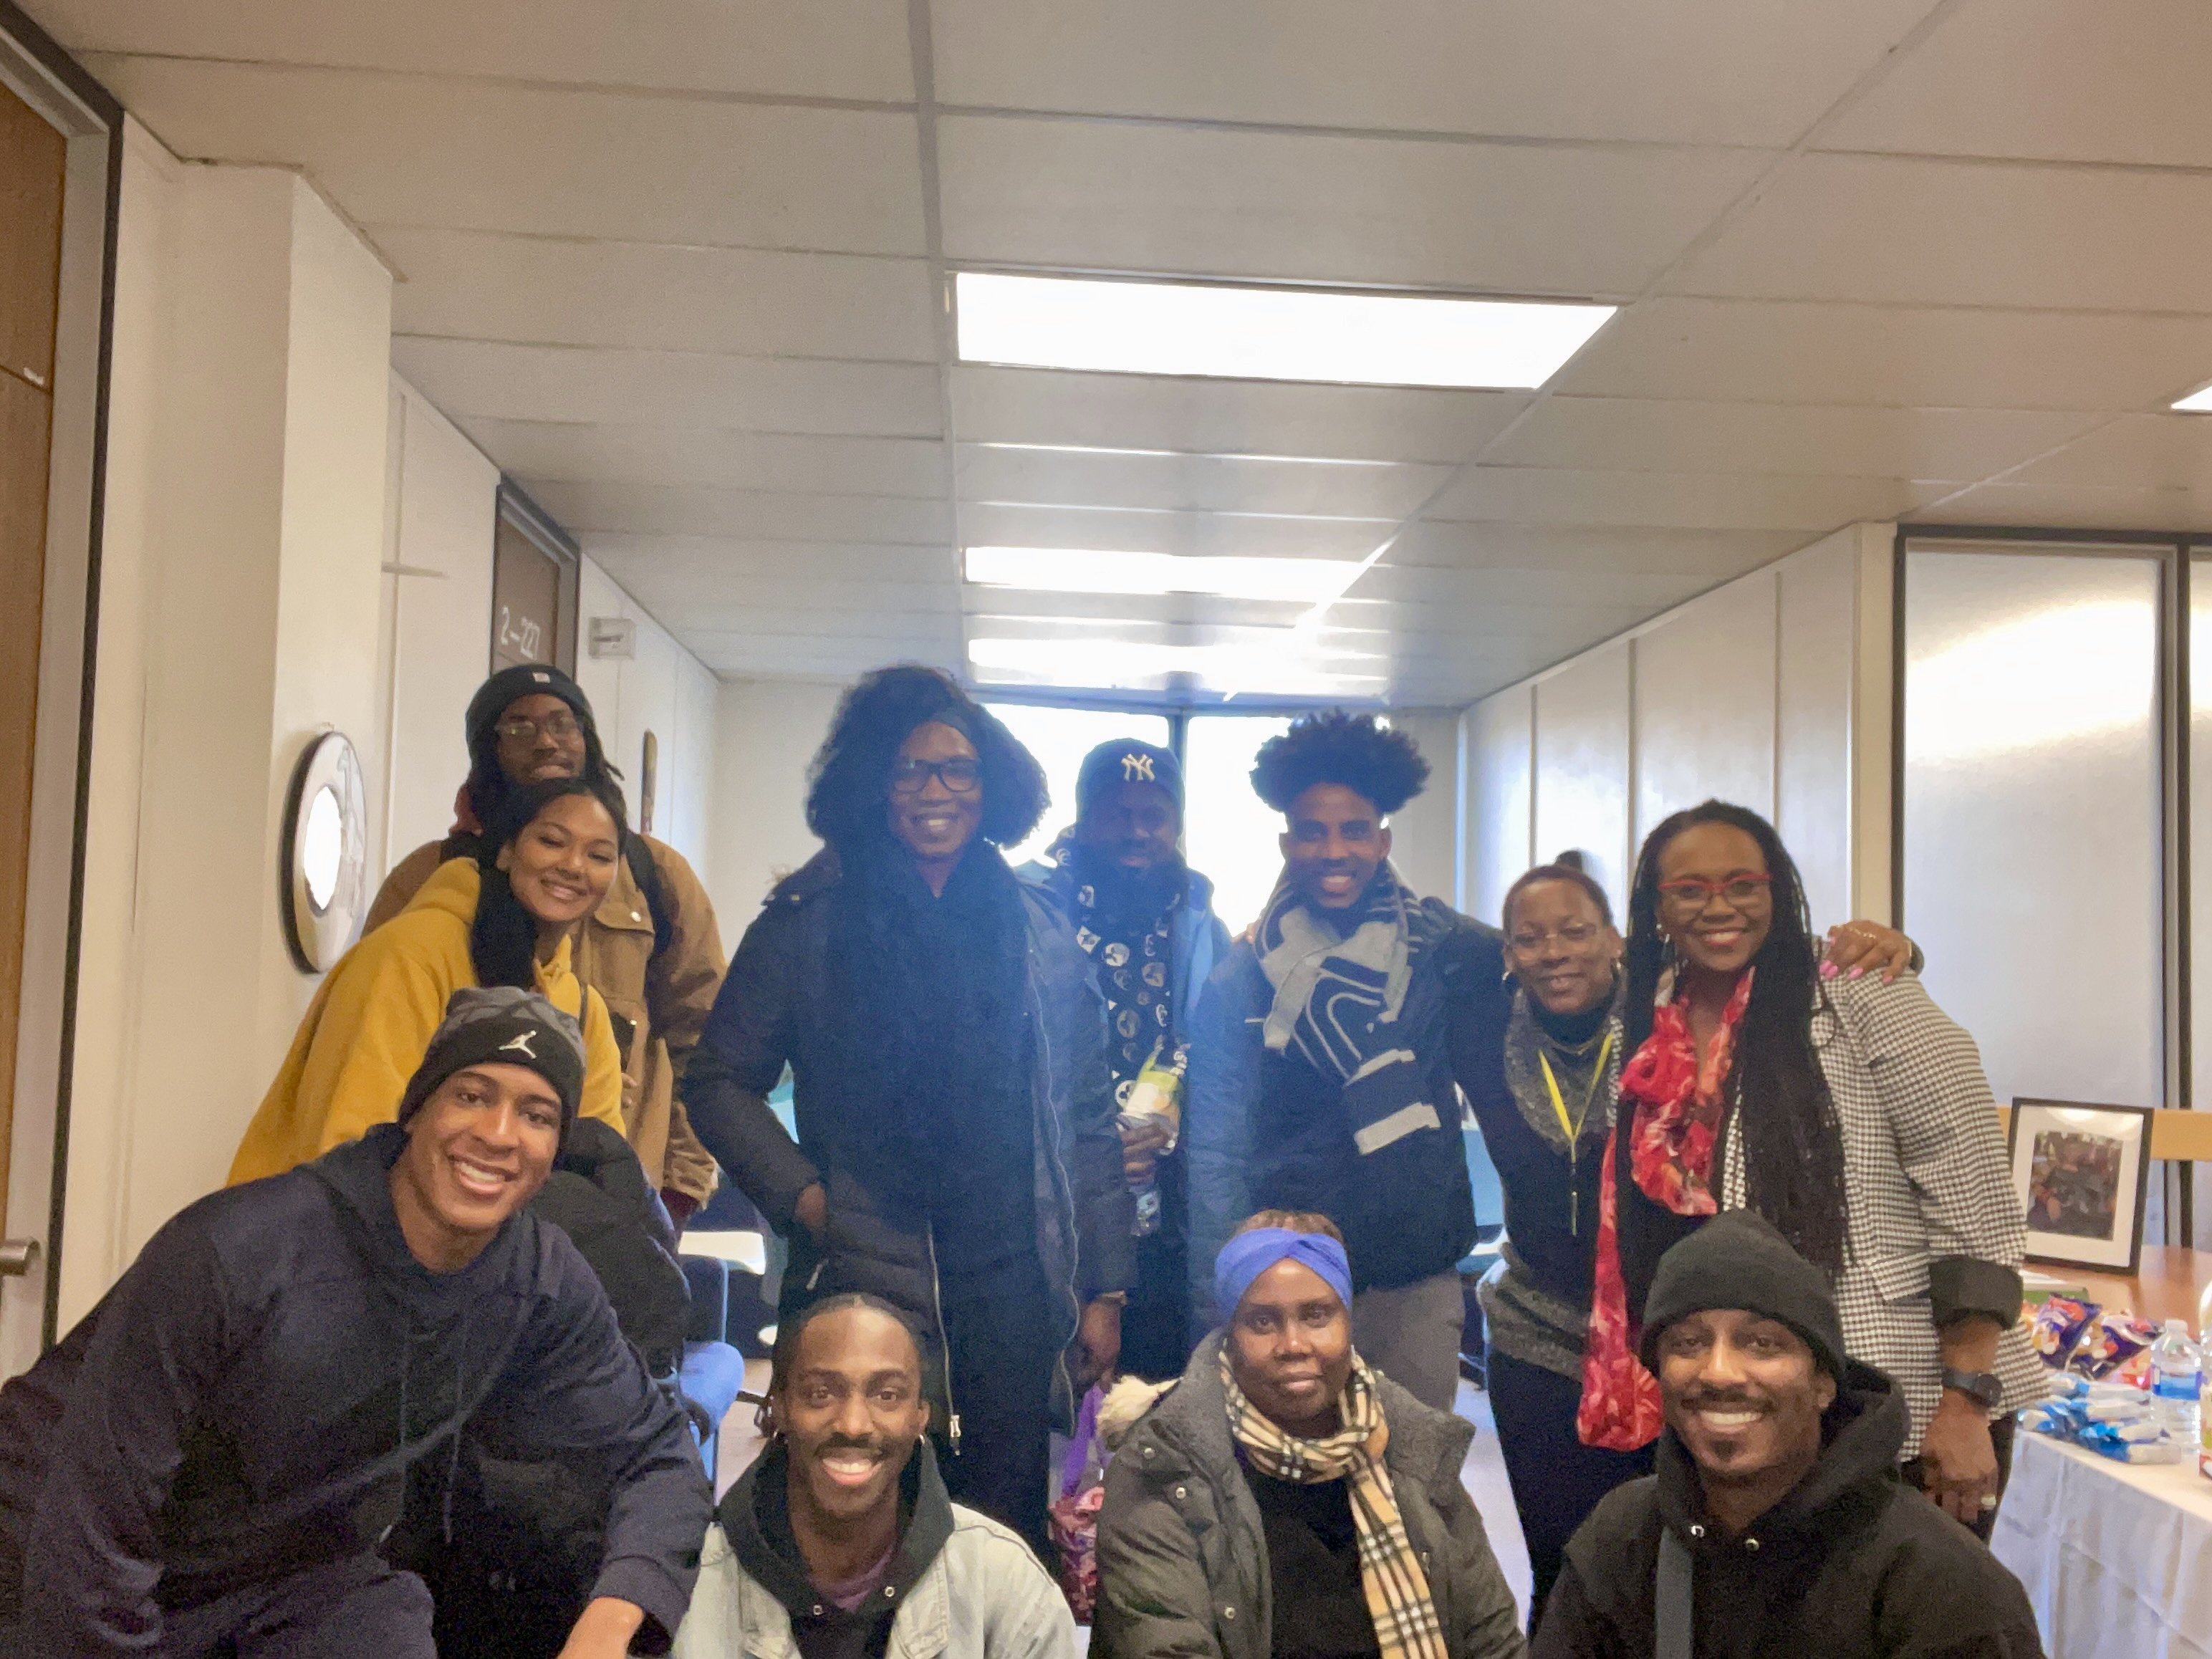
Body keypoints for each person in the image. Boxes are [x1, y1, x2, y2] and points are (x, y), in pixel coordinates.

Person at [0, 988, 711, 1658]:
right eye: (471, 1096)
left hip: (285, 1575)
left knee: (384, 1620)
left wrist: (607, 1626)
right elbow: (86, 1540)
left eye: (537, 1114)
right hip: (49, 1539)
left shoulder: (539, 1279)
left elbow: (655, 1454)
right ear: (416, 1111)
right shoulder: (235, 1251)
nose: (499, 1134)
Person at [682, 665, 1133, 1554]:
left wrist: (1104, 1286)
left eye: (958, 770)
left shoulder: (1036, 926)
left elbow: (1084, 1116)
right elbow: (717, 1080)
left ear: (991, 785)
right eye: (909, 770)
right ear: (870, 785)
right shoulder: (809, 919)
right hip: (859, 1259)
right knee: (855, 1520)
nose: (936, 791)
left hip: (1010, 1271)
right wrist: (807, 1201)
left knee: (1000, 1528)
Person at [1579, 801, 2039, 1539]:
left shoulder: (1862, 993)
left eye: (1742, 884)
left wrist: (1966, 1399)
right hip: (1740, 1400)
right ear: (1657, 908)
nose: (1718, 907)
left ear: (1778, 890)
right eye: (1690, 890)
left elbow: (1973, 1196)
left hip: (1898, 1396)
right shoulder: (1645, 1021)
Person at [1473, 862, 1915, 1616]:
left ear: (1615, 939)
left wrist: (1867, 949)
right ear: (1507, 955)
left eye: (1576, 931)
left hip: (1668, 1339)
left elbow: (1754, 960)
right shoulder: (1480, 1027)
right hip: (1535, 1340)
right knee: (1566, 1563)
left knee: (1687, 1553)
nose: (1555, 952)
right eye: (1530, 939)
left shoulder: (1672, 1010)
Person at [1533, 1212, 2044, 1659]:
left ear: (1823, 1384)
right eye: (1688, 1343)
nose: (1719, 1372)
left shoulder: (1940, 1584)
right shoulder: (1622, 1539)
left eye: (1762, 1344)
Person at [1185, 710, 1504, 1413]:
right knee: (1294, 1495)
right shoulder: (1240, 976)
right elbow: (1215, 1151)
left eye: (1354, 829)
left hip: (1412, 1276)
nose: (1334, 850)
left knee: (1411, 1487)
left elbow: (1548, 964)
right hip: (1286, 1282)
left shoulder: (1442, 949)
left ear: (1382, 839)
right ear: (1284, 841)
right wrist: (1224, 1295)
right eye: (1312, 830)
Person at [366, 663, 723, 1220]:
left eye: (564, 723)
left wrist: (680, 1184)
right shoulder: (427, 889)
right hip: (446, 1191)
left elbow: (703, 1036)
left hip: (612, 1192)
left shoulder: (657, 876)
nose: (548, 741)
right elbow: (376, 1051)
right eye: (520, 727)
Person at [1092, 1211, 1525, 1659]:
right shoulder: (1164, 1468)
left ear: (1348, 1322)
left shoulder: (1414, 1445)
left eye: (1317, 1315)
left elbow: (1491, 1639)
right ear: (1229, 1334)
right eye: (1262, 1322)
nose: (1294, 1344)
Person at [230, 776, 628, 1183]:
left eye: (599, 856)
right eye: (551, 842)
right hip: (331, 1235)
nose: (574, 866)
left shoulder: (582, 1008)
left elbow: (598, 1171)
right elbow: (351, 1141)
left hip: (491, 1241)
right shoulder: (408, 954)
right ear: (507, 851)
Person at [673, 1293, 1076, 1659]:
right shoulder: (687, 1588)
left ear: (921, 1415)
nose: (853, 1424)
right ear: (777, 1408)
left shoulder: (1005, 1587)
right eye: (821, 1393)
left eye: (887, 1395)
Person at [1023, 738, 1231, 1381]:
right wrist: (1097, 1150)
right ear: (1084, 818)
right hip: (1055, 1200)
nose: (1137, 831)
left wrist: (1170, 1130)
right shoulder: (1032, 912)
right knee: (1051, 1410)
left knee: (1158, 1404)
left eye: (1154, 815)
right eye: (1118, 813)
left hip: (1169, 1211)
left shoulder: (1200, 922)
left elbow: (1226, 1062)